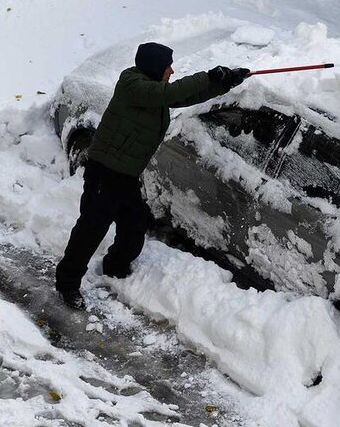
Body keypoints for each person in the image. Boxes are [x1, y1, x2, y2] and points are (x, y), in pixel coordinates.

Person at [55, 42, 250, 310]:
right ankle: (67, 283)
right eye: (167, 65)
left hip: (126, 175)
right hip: (105, 172)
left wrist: (225, 83)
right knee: (90, 230)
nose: (171, 70)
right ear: (154, 67)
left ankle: (115, 267)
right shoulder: (133, 85)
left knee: (134, 228)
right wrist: (208, 75)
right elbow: (168, 92)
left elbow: (183, 96)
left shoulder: (155, 93)